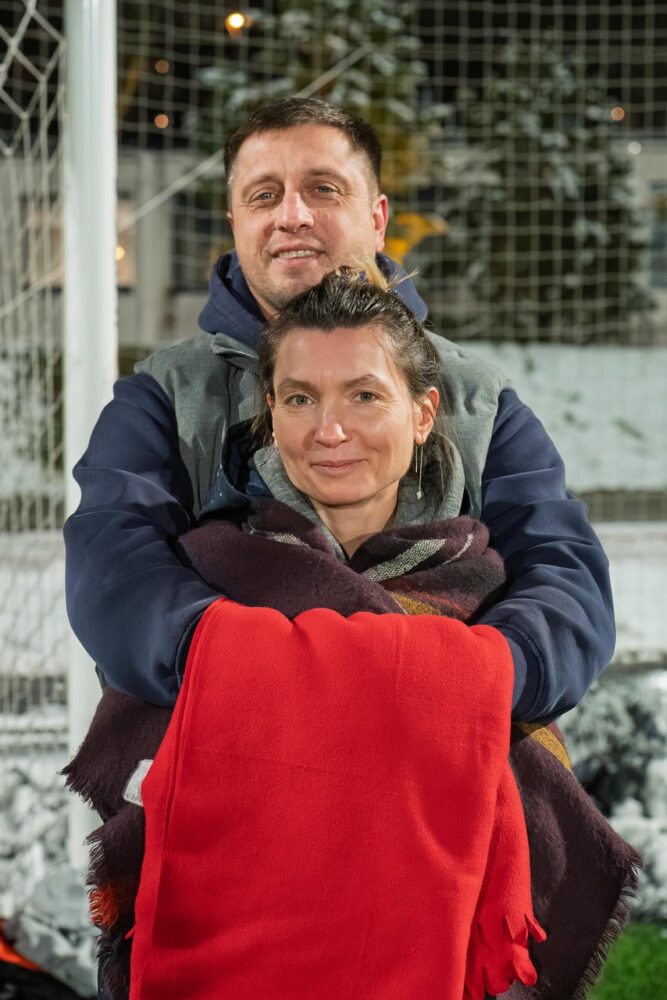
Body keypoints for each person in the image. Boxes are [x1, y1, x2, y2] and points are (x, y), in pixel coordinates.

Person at [66, 268, 637, 1000]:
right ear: (269, 413)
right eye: (300, 399)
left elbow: (569, 591)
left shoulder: (485, 592)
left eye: (364, 396)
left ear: (424, 413)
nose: (329, 431)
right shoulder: (207, 574)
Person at [64, 96, 614, 722]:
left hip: (444, 748)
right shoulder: (164, 397)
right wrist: (264, 675)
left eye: (322, 189)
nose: (291, 215)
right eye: (263, 196)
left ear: (377, 218)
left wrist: (465, 681)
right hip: (228, 747)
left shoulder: (477, 399)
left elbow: (564, 579)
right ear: (235, 222)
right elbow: (114, 572)